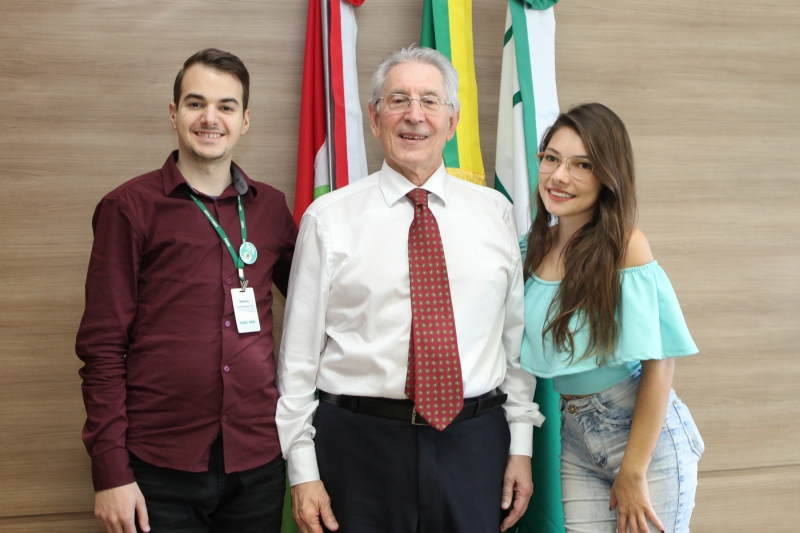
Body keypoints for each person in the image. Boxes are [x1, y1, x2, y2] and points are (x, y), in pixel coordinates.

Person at [275, 46, 544, 533]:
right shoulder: (329, 219)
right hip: (358, 449)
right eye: (398, 100)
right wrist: (303, 471)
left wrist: (520, 447)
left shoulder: (496, 214)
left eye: (429, 101)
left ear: (452, 121)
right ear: (375, 119)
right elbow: (297, 361)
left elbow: (515, 344)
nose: (414, 115)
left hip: (475, 445)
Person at [75, 48, 297, 533]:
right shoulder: (129, 208)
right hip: (158, 466)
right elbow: (102, 348)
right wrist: (110, 471)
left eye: (226, 106)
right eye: (196, 104)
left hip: (258, 462)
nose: (210, 118)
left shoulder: (271, 209)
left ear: (245, 121)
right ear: (174, 114)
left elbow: (320, 305)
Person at [520, 103, 704, 533]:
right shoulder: (530, 249)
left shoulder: (625, 245)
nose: (559, 176)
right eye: (552, 158)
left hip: (640, 435)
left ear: (607, 176)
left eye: (582, 165)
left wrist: (634, 470)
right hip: (571, 434)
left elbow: (661, 364)